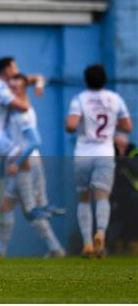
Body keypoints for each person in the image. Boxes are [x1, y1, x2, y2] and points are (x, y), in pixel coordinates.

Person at [0, 74, 65, 258]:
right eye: (10, 88)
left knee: (30, 210)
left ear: (23, 90)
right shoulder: (15, 110)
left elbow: (35, 141)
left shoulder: (22, 114)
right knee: (6, 206)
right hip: (24, 162)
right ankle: (0, 250)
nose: (11, 91)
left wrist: (17, 164)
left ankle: (55, 248)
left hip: (25, 163)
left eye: (16, 88)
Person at [66, 64, 132, 258]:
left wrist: (75, 124)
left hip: (84, 153)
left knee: (84, 197)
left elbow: (71, 125)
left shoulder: (80, 99)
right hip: (105, 152)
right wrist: (112, 124)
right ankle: (101, 233)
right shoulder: (115, 99)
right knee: (102, 196)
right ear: (105, 79)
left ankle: (87, 243)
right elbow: (127, 125)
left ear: (86, 80)